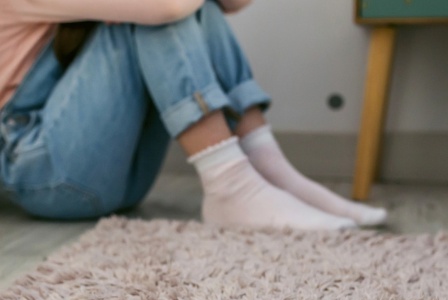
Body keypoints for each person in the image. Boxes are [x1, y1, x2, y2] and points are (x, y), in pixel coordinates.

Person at [0, 0, 387, 230]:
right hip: (47, 178)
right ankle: (231, 185)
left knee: (199, 5)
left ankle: (271, 171)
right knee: (161, 11)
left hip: (118, 178)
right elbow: (167, 6)